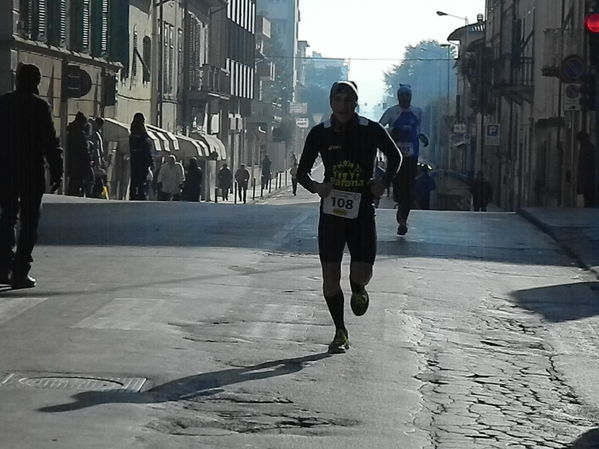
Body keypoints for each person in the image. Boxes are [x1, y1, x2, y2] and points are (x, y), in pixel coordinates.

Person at [297, 81, 401, 354]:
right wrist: (317, 187)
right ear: (331, 103)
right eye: (338, 99)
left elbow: (395, 156)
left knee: (362, 273)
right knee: (330, 277)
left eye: (348, 100)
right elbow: (302, 173)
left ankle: (358, 288)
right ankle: (340, 331)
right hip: (331, 213)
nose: (343, 105)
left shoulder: (370, 129)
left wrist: (383, 181)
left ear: (355, 103)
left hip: (362, 211)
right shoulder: (320, 133)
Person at [0, 63, 63, 288]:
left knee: (6, 218)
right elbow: (50, 141)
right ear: (36, 82)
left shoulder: (3, 103)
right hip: (31, 170)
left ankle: (3, 265)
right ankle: (20, 271)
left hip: (5, 169)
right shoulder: (40, 106)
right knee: (29, 222)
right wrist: (57, 170)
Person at [379, 83, 429, 235]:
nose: (405, 98)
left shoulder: (418, 112)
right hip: (395, 156)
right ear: (398, 96)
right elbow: (379, 128)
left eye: (408, 95)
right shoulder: (392, 112)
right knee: (399, 187)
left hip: (411, 156)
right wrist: (392, 131)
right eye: (402, 95)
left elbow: (423, 129)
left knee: (408, 189)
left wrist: (423, 137)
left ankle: (402, 220)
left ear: (411, 97)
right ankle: (398, 200)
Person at [66, 112, 93, 197]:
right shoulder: (81, 135)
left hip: (71, 163)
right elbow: (84, 151)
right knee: (78, 185)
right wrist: (89, 163)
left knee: (72, 184)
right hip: (80, 165)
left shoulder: (70, 131)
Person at [129, 112, 154, 200]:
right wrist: (150, 161)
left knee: (134, 177)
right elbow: (147, 147)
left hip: (134, 159)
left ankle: (133, 193)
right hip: (143, 160)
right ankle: (140, 193)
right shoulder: (143, 134)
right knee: (141, 178)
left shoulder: (132, 133)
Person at [577, 131, 596, 208]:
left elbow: (583, 167)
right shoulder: (591, 148)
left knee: (588, 202)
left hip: (588, 182)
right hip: (590, 182)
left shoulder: (585, 149)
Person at [89, 117, 107, 198]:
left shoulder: (96, 134)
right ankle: (94, 195)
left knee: (98, 183)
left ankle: (94, 195)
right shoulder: (95, 135)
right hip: (95, 164)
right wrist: (98, 162)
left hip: (96, 163)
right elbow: (96, 150)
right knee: (98, 183)